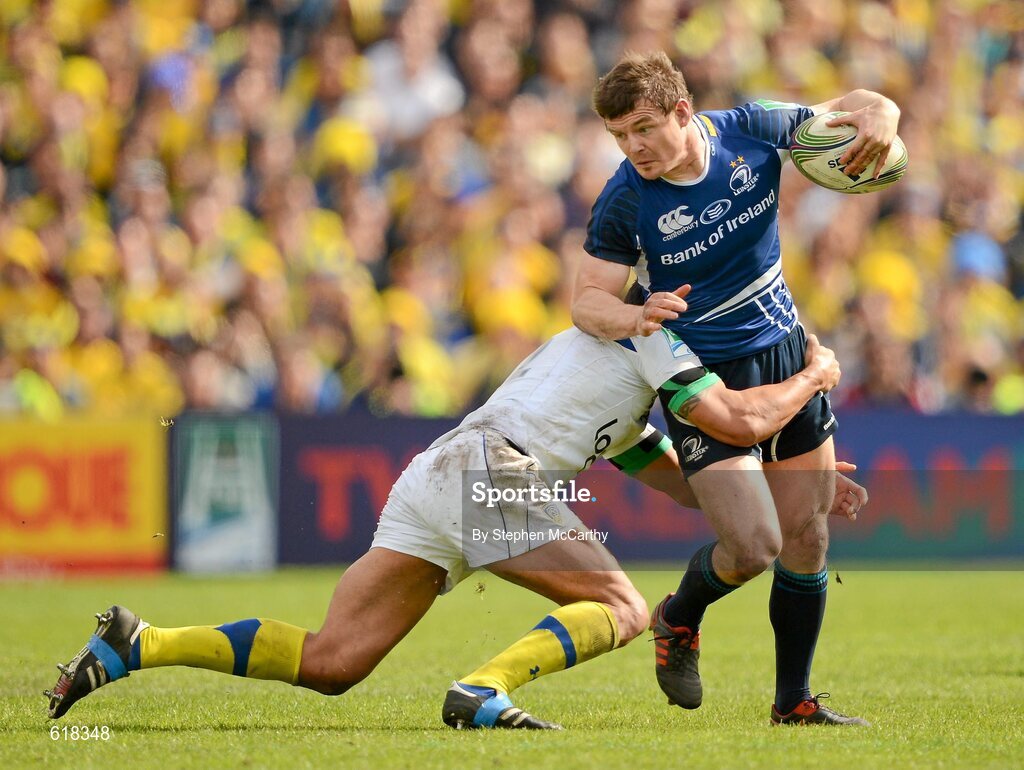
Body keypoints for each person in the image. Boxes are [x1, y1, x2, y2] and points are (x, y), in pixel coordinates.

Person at [46, 320, 862, 730]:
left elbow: (691, 488)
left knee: (333, 662)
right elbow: (735, 416)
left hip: (440, 469)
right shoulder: (653, 330)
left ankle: (138, 642)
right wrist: (820, 375)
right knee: (621, 608)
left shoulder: (598, 352)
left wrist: (799, 485)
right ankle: (485, 690)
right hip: (486, 469)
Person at [572, 50, 900, 726]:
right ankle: (679, 617)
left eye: (642, 128)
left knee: (806, 534)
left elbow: (863, 107)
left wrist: (885, 116)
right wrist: (635, 316)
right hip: (699, 372)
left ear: (683, 112)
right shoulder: (626, 198)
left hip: (782, 349)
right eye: (619, 136)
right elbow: (585, 302)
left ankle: (794, 702)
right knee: (755, 546)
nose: (633, 147)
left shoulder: (751, 129)